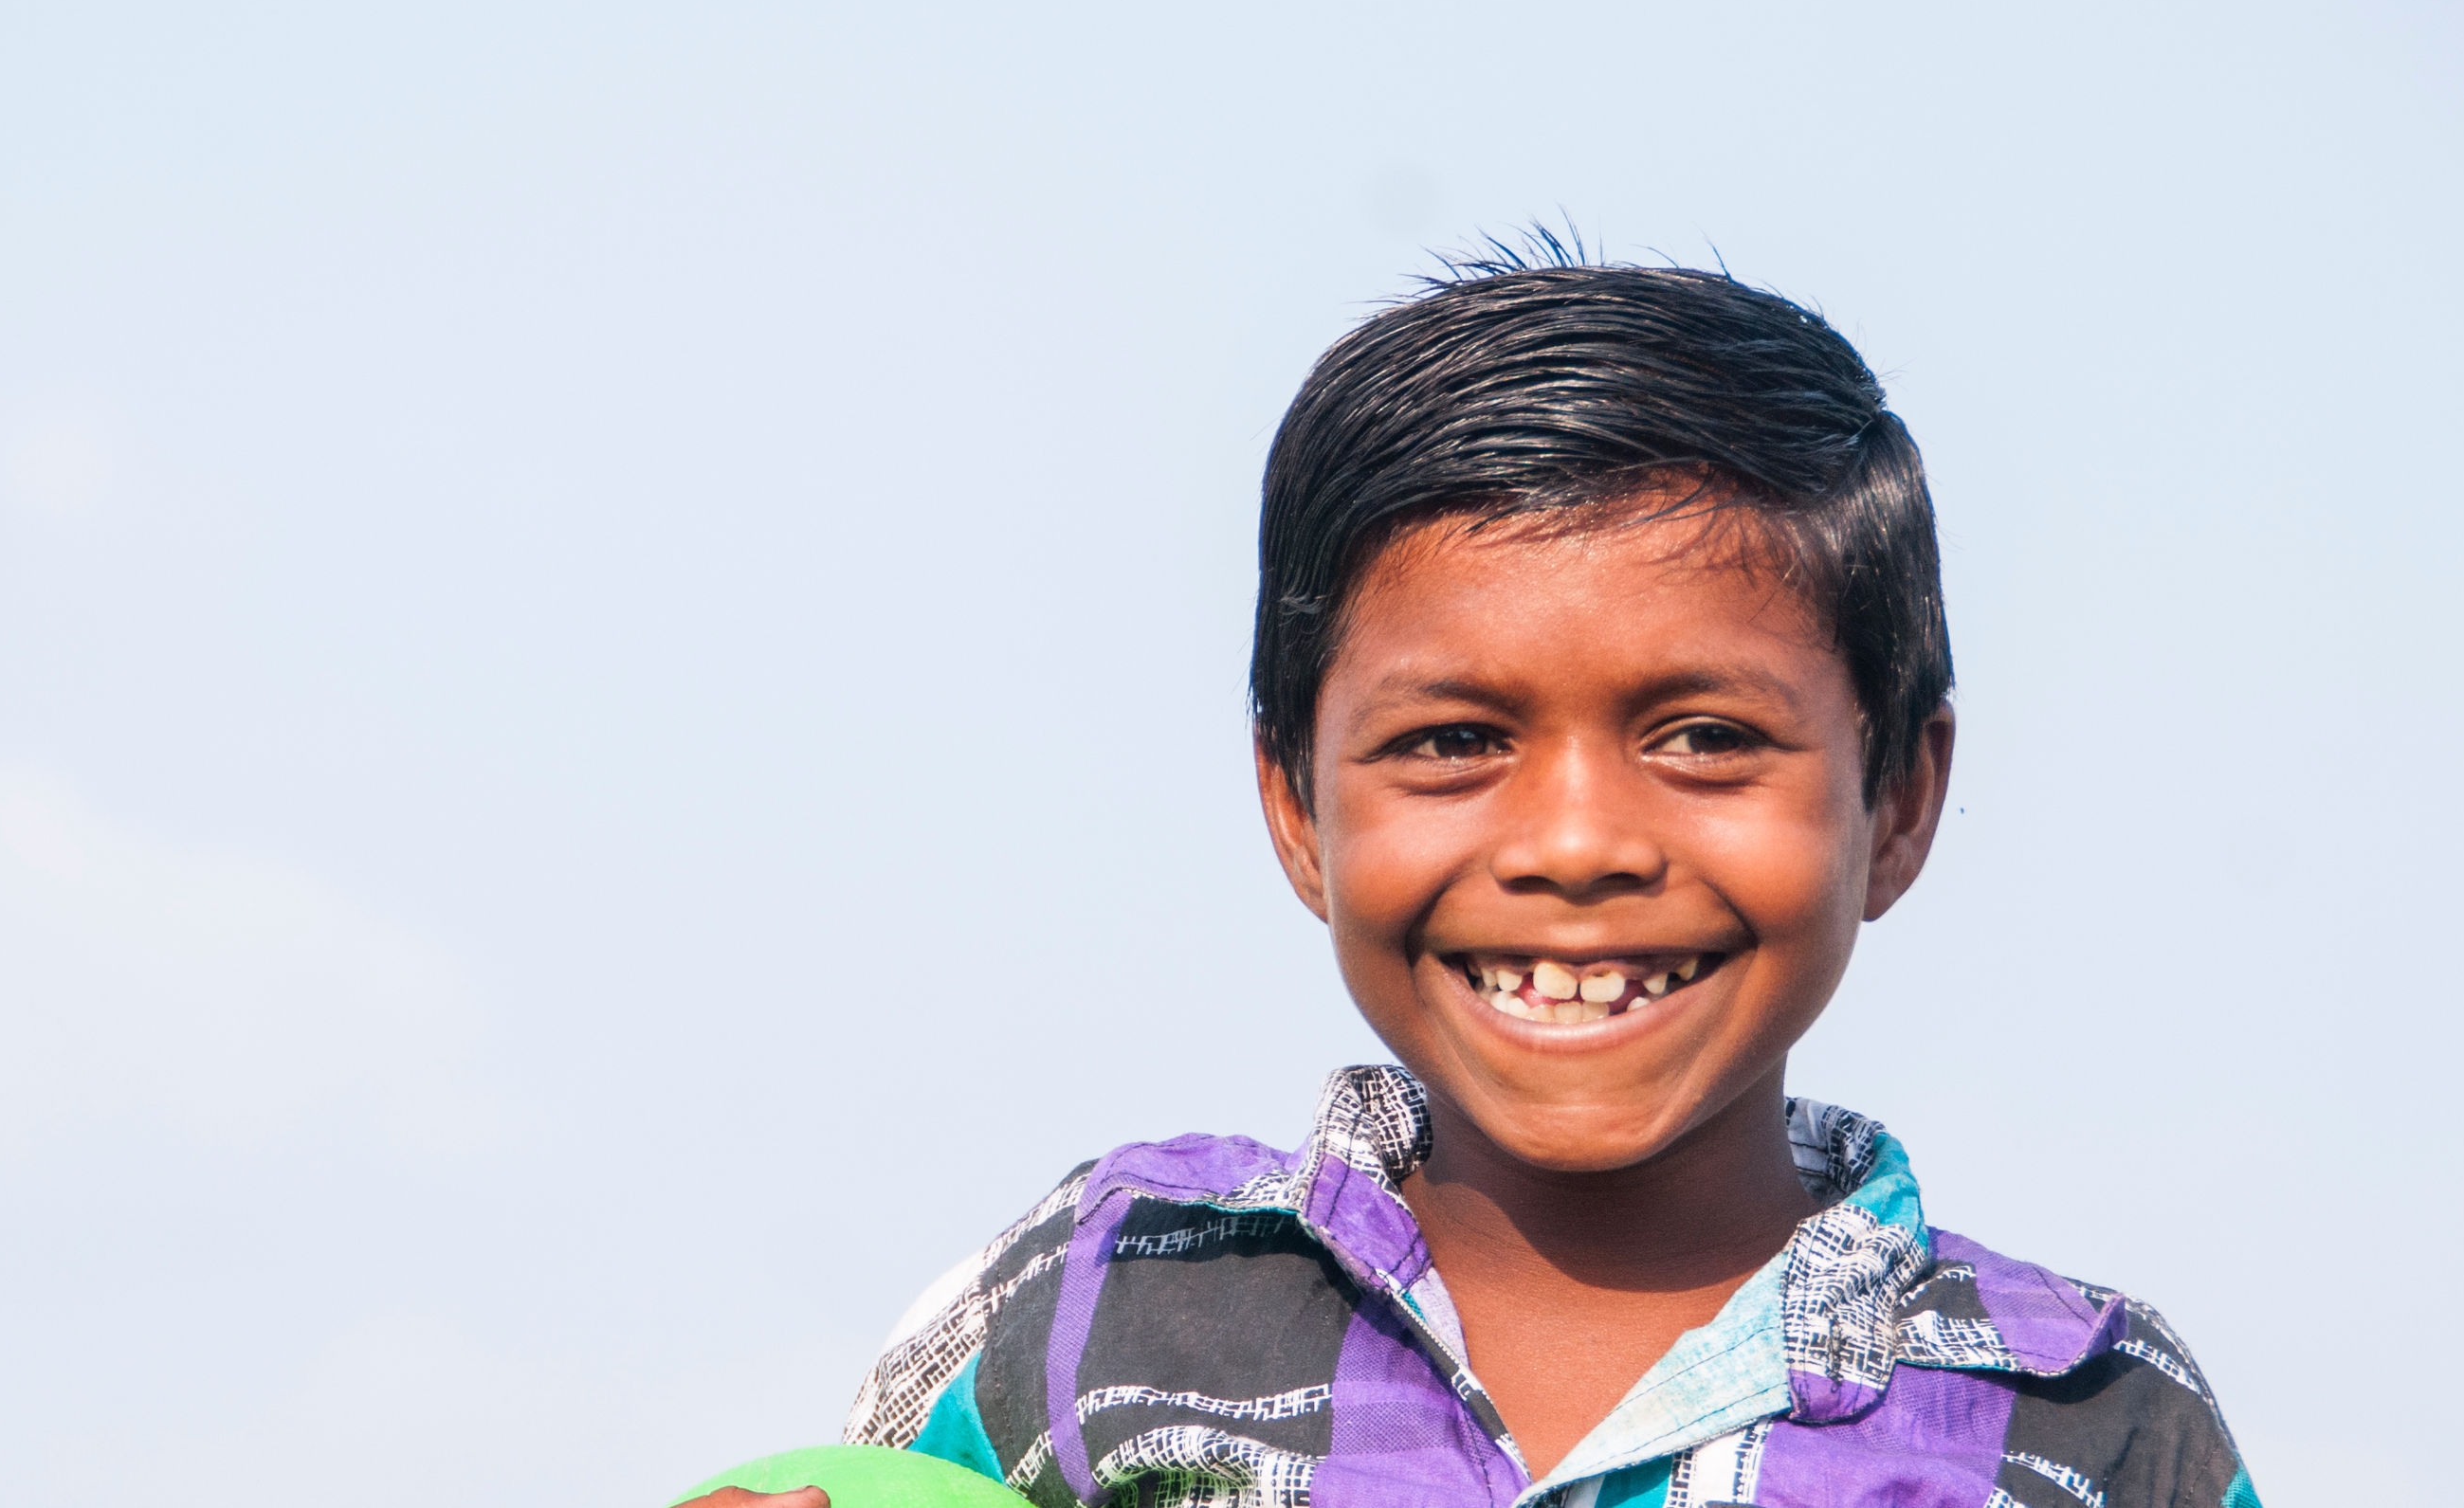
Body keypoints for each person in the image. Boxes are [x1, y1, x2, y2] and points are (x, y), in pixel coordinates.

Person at [704, 240, 2254, 1508]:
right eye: (1452, 742)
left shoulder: (2089, 1424)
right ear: (1297, 807)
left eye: (1706, 735)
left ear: (1901, 799)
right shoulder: (1098, 1302)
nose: (1575, 846)